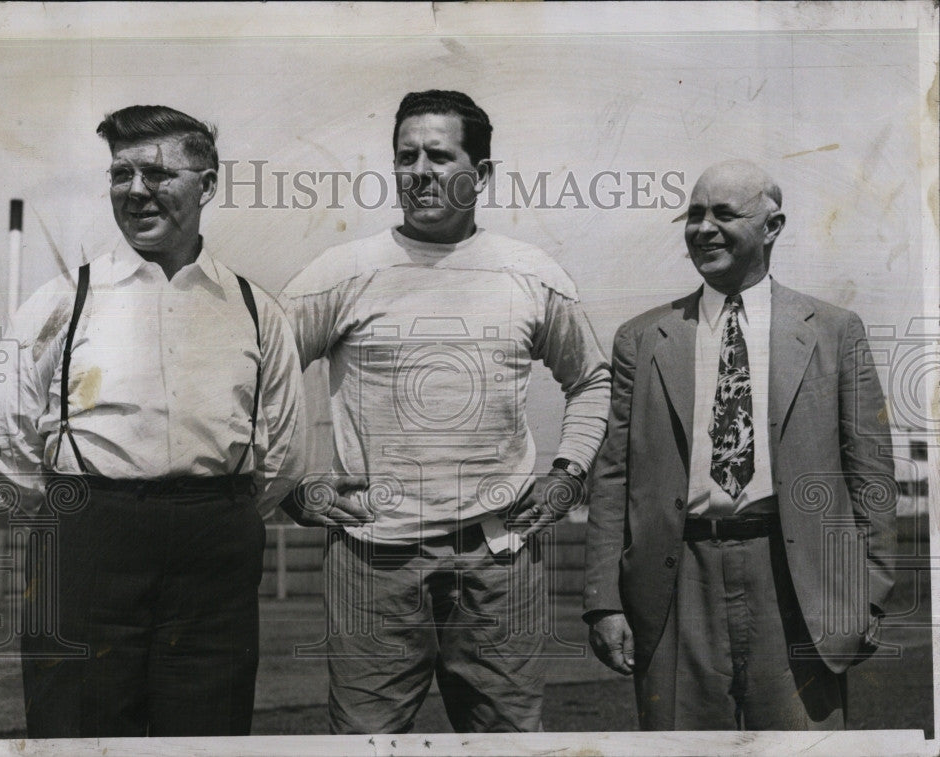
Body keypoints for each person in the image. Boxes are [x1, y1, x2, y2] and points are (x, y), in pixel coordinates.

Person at [279, 90, 610, 733]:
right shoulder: (343, 272)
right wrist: (292, 484)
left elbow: (592, 379)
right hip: (373, 557)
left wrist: (569, 473)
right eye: (406, 157)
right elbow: (258, 379)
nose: (420, 171)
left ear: (480, 174)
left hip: (498, 557)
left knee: (508, 742)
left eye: (439, 155)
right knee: (366, 745)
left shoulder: (529, 274)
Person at [0, 105, 307, 737]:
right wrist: (85, 509)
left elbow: (283, 455)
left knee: (205, 735)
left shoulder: (255, 310)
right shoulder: (58, 303)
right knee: (75, 732)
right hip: (86, 543)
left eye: (157, 174)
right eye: (119, 174)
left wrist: (201, 507)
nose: (136, 191)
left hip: (212, 557)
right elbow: (7, 445)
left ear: (207, 184)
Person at [583, 160, 897, 730]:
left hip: (801, 583)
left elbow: (870, 470)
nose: (702, 229)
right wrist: (604, 600)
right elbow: (612, 480)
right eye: (694, 214)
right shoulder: (642, 338)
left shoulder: (834, 330)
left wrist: (870, 592)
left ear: (773, 227)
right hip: (675, 585)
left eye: (724, 214)